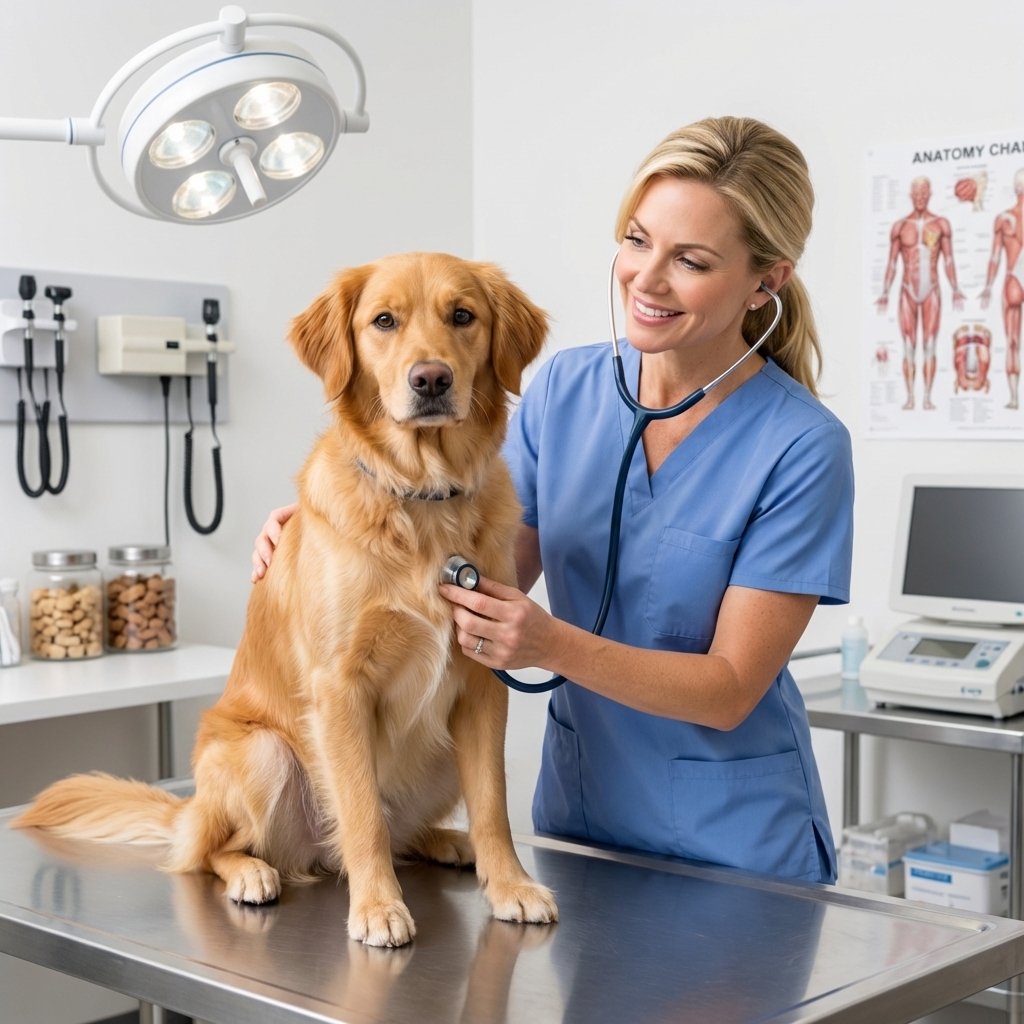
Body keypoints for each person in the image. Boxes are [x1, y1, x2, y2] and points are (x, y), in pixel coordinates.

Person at [253, 117, 854, 884]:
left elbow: (733, 688)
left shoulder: (801, 446)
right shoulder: (566, 390)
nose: (646, 278)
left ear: (767, 279)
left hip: (734, 840)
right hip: (580, 820)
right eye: (637, 241)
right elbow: (476, 575)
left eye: (691, 261)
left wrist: (549, 645)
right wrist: (319, 540)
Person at [876, 176, 965, 411]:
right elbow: (892, 263)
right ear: (910, 196)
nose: (920, 198)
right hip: (907, 290)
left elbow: (949, 260)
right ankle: (910, 398)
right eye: (916, 194)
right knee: (908, 345)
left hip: (932, 290)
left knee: (929, 346)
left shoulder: (941, 224)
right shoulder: (900, 227)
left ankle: (926, 397)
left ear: (930, 194)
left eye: (924, 194)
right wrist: (885, 291)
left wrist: (955, 288)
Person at [979, 168, 1024, 410]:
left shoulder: (1005, 219)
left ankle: (1015, 398)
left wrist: (987, 286)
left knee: (1013, 342)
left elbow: (995, 258)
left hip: (1013, 281)